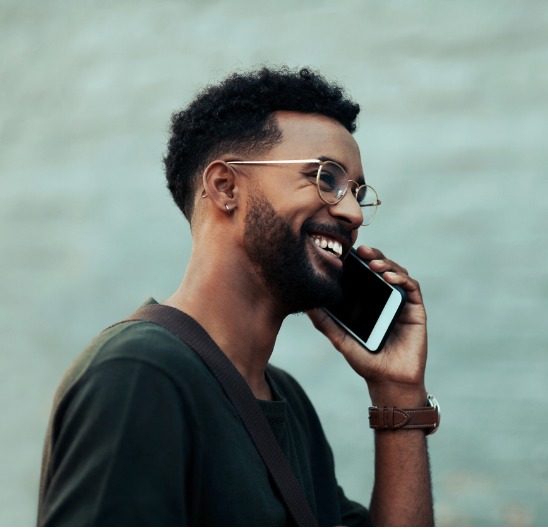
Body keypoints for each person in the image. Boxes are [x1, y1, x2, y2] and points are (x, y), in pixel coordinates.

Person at [37, 66, 437, 526]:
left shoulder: (287, 402)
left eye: (357, 192)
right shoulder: (139, 376)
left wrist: (399, 392)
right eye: (327, 179)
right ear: (225, 186)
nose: (352, 212)